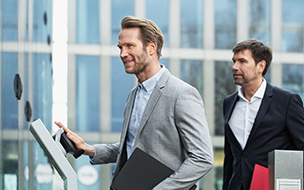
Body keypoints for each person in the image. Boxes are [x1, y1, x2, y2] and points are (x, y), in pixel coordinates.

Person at [56, 16, 214, 190]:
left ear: (151, 47)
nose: (122, 54)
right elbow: (132, 146)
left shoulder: (181, 93)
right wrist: (88, 149)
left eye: (130, 46)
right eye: (120, 48)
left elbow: (202, 158)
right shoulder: (133, 96)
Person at [222, 39, 304, 190]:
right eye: (234, 61)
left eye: (242, 61)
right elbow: (230, 156)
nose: (234, 67)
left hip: (270, 186)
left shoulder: (287, 101)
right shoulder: (228, 103)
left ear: (261, 66)